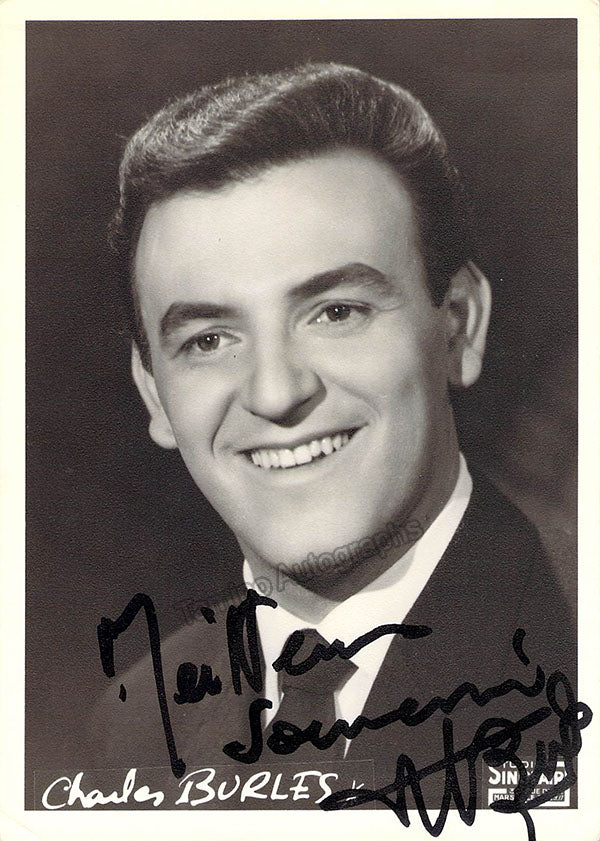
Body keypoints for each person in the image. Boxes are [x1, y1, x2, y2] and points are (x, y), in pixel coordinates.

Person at [85, 63, 575, 813]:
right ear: (154, 391)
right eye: (210, 339)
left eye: (336, 312)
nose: (276, 393)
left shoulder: (575, 648)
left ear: (459, 326)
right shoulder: (136, 724)